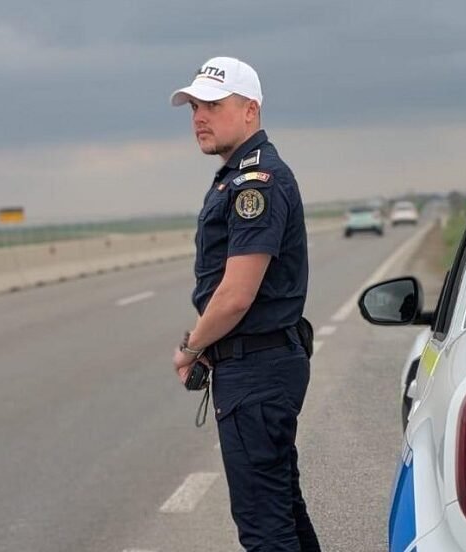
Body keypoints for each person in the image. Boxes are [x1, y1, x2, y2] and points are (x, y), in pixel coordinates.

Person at [170, 57, 321, 552]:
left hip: (257, 371)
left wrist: (191, 346)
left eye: (212, 104)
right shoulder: (235, 178)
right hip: (257, 367)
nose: (198, 116)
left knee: (263, 525)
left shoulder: (256, 182)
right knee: (281, 508)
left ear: (250, 109)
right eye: (194, 105)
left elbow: (235, 296)